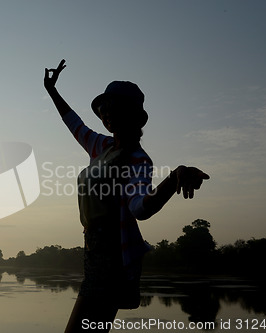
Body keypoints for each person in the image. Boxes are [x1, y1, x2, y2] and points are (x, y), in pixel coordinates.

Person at [44, 59, 210, 333]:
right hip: (93, 251)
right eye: (103, 110)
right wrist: (52, 91)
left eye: (112, 108)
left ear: (131, 114)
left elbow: (140, 208)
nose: (106, 115)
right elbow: (74, 123)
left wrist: (173, 178)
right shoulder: (102, 146)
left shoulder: (137, 159)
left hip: (112, 255)